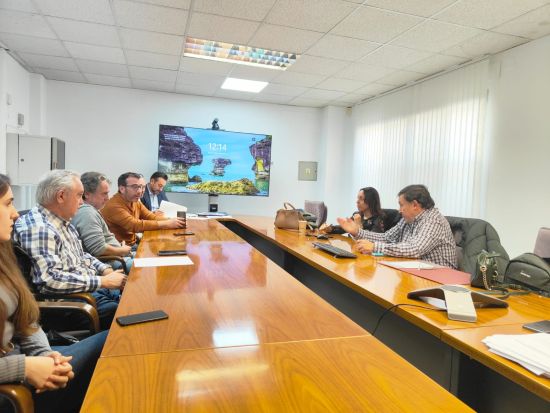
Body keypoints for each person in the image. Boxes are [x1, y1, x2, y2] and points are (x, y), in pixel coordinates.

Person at [0, 173, 108, 413]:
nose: (16, 213)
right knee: (115, 344)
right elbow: (50, 281)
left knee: (118, 343)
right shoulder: (39, 227)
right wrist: (25, 367)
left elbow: (26, 319)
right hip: (14, 387)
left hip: (30, 360)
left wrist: (46, 356)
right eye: (8, 203)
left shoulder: (3, 257)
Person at [14, 170, 125, 330]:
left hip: (87, 288)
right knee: (125, 313)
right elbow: (50, 280)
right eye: (79, 195)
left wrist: (105, 270)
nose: (82, 202)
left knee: (133, 297)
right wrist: (103, 281)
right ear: (61, 196)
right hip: (71, 301)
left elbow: (82, 255)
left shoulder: (61, 221)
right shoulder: (41, 229)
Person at [337, 184, 457, 268]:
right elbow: (386, 237)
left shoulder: (434, 220)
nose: (399, 210)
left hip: (439, 280)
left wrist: (374, 247)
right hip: (416, 270)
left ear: (415, 205)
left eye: (401, 205)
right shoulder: (408, 219)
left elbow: (415, 249)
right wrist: (357, 232)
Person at [101, 172, 185, 246]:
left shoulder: (135, 201)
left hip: (133, 244)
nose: (140, 191)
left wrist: (174, 221)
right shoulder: (114, 205)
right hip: (120, 250)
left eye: (142, 187)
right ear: (122, 189)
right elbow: (135, 225)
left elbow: (151, 216)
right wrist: (167, 223)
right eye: (135, 187)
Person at [71, 172, 133, 273]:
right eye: (104, 193)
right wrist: (122, 250)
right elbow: (99, 249)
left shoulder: (90, 210)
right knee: (150, 267)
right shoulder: (87, 213)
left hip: (117, 257)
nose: (107, 198)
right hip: (112, 262)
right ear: (86, 194)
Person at [321, 187, 386, 234]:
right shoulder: (357, 214)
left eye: (361, 199)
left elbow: (373, 241)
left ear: (370, 201)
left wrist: (359, 225)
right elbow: (344, 228)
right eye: (357, 198)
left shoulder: (379, 218)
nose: (357, 201)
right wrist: (331, 228)